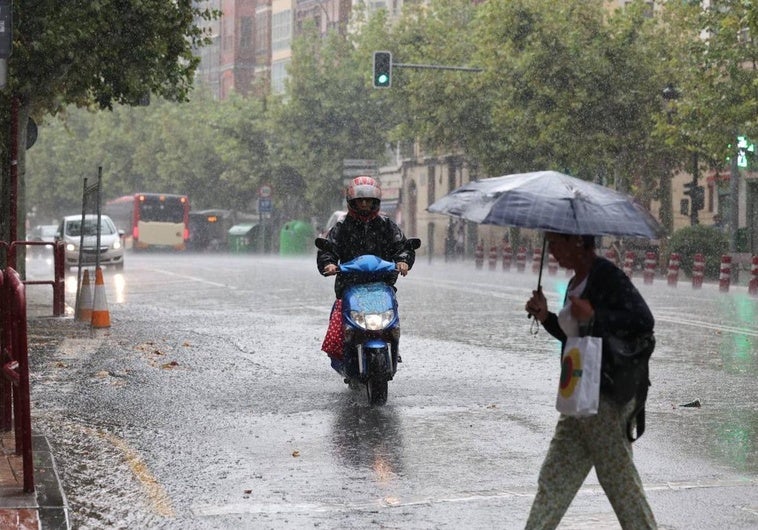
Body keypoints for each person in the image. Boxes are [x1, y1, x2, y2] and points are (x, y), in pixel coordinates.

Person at [524, 232, 657, 530]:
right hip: (578, 394)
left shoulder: (606, 277)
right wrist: (546, 316)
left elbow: (642, 321)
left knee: (620, 483)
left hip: (605, 398)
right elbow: (576, 338)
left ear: (579, 242)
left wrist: (596, 315)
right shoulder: (575, 282)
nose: (553, 250)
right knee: (554, 478)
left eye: (557, 242)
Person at [317, 176, 415, 375]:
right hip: (350, 285)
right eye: (360, 200)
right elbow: (328, 249)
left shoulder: (386, 225)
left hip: (382, 283)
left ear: (375, 202)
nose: (364, 204)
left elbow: (402, 246)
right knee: (337, 334)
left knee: (391, 322)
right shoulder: (342, 226)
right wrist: (329, 264)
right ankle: (344, 358)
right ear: (352, 202)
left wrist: (403, 260)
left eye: (368, 200)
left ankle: (393, 348)